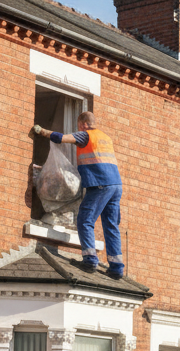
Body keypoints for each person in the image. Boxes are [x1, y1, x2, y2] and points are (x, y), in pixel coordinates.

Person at [31, 111, 125, 278]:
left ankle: (90, 259)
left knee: (84, 219)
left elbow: (61, 138)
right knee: (111, 225)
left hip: (100, 183)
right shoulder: (105, 137)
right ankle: (117, 267)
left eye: (78, 125)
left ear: (83, 124)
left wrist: (43, 131)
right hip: (116, 185)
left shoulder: (85, 135)